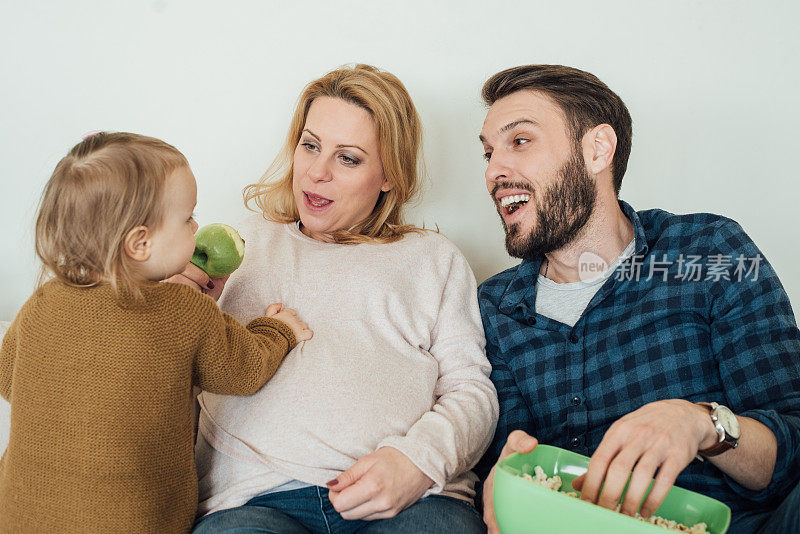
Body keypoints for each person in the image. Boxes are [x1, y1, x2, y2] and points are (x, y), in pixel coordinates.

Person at [474, 65, 800, 534]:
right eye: (487, 153)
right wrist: (503, 480)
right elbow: (514, 462)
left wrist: (700, 424)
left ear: (597, 149)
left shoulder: (711, 252)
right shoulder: (495, 307)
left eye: (519, 141)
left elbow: (790, 454)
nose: (493, 171)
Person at [174, 64, 498, 534]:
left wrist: (417, 462)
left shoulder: (433, 259)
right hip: (255, 500)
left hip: (411, 504)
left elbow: (472, 390)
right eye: (310, 145)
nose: (316, 172)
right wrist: (183, 307)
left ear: (389, 174)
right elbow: (172, 372)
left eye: (348, 158)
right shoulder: (243, 245)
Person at [0, 132, 311, 533]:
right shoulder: (185, 311)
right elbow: (244, 370)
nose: (196, 226)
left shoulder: (45, 300)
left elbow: (8, 377)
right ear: (140, 243)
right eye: (187, 219)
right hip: (137, 522)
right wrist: (277, 330)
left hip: (18, 516)